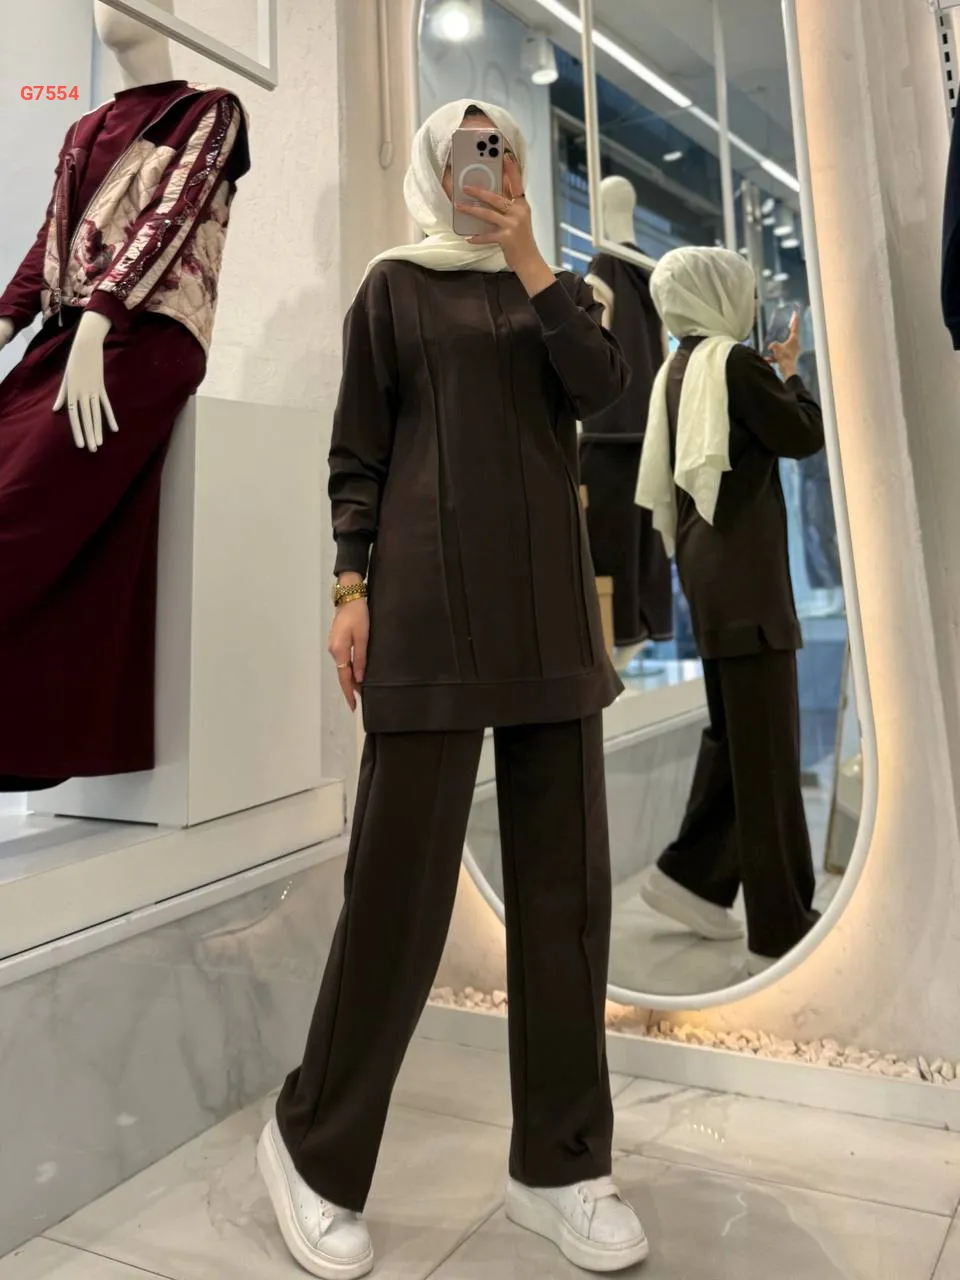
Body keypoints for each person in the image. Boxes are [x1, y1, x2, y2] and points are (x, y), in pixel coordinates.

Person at [256, 99, 649, 1279]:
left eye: (508, 149)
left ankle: (563, 1166)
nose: (494, 165)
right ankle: (313, 1148)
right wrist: (349, 584)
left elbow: (604, 391)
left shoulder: (561, 293)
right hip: (426, 606)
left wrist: (530, 254)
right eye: (475, 149)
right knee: (398, 891)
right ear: (438, 166)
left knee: (564, 901)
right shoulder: (392, 287)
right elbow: (358, 450)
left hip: (545, 613)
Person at [635, 246, 823, 976]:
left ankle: (691, 879)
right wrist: (791, 373)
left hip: (709, 576)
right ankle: (781, 925)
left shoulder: (679, 366)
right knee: (766, 749)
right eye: (742, 291)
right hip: (745, 581)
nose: (750, 304)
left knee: (739, 738)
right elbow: (801, 435)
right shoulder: (735, 365)